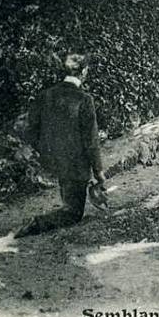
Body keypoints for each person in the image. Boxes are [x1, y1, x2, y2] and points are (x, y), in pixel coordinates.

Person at [14, 53, 106, 238]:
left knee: (71, 199)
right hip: (75, 164)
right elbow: (91, 140)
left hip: (51, 161)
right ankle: (37, 223)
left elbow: (31, 129)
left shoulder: (45, 95)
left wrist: (45, 150)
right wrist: (98, 171)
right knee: (73, 213)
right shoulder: (84, 99)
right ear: (84, 72)